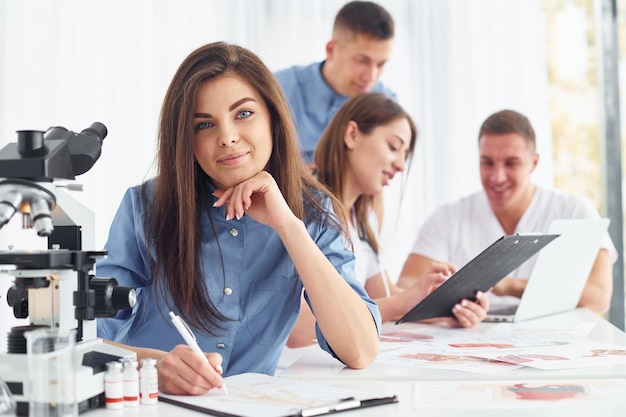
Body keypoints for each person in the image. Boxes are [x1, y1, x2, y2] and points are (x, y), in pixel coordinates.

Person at [96, 42, 381, 396]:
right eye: (204, 125)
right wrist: (150, 366)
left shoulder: (311, 213)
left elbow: (360, 350)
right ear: (185, 138)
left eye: (243, 114)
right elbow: (85, 342)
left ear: (273, 118)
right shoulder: (145, 207)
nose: (227, 137)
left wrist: (289, 227)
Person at [287, 93, 489, 348]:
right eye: (394, 147)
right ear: (352, 134)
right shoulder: (305, 209)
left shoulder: (362, 218)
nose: (401, 165)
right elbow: (297, 328)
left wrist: (451, 309)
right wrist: (404, 301)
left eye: (405, 154)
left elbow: (385, 297)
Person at [398, 109, 617, 313]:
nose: (497, 177)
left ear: (534, 162)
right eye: (487, 163)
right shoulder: (447, 218)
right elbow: (405, 287)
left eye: (511, 163)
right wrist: (449, 301)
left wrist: (511, 286)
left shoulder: (575, 212)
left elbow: (599, 297)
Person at [274, 1, 397, 166]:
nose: (371, 76)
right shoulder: (278, 88)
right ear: (331, 50)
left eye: (381, 64)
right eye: (362, 61)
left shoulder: (386, 104)